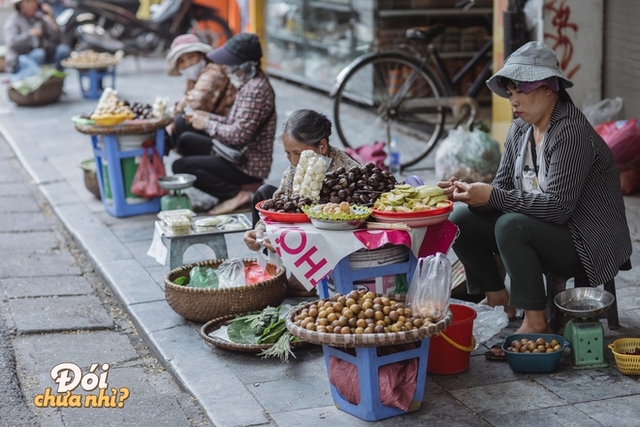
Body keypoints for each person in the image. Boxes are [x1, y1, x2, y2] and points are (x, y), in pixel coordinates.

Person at [438, 42, 632, 358]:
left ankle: (536, 322)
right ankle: (499, 297)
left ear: (549, 90)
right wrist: (471, 193)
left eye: (521, 90)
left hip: (586, 238)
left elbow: (558, 208)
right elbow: (500, 190)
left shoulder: (569, 132)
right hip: (547, 227)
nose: (513, 99)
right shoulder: (520, 129)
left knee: (510, 226)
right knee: (458, 218)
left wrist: (494, 196)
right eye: (510, 91)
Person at [243, 109, 361, 296]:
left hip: (333, 235)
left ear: (322, 146)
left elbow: (343, 222)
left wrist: (286, 238)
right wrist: (261, 231)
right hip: (301, 227)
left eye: (297, 153)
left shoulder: (346, 171)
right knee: (264, 194)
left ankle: (306, 280)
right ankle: (280, 273)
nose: (293, 160)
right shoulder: (296, 165)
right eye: (288, 153)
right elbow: (280, 200)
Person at [172, 33, 276, 215]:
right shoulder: (248, 84)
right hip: (234, 152)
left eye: (230, 65)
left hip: (246, 163)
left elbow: (238, 136)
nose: (226, 70)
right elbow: (233, 123)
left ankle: (235, 194)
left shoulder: (255, 90)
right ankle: (225, 191)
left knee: (181, 166)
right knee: (186, 138)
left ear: (245, 66)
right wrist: (207, 117)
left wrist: (206, 124)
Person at [164, 34, 236, 155]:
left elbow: (195, 101)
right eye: (181, 61)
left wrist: (172, 118)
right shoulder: (192, 79)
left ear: (201, 55)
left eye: (191, 57)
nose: (188, 64)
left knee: (181, 122)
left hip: (225, 129)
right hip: (211, 125)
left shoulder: (214, 70)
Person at [3, 0, 70, 82]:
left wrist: (51, 16)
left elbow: (58, 36)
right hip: (21, 61)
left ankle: (55, 83)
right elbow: (11, 43)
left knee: (63, 50)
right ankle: (35, 86)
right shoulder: (13, 20)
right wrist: (30, 34)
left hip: (44, 55)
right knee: (39, 54)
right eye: (27, 2)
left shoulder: (40, 18)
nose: (31, 5)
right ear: (20, 5)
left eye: (33, 2)